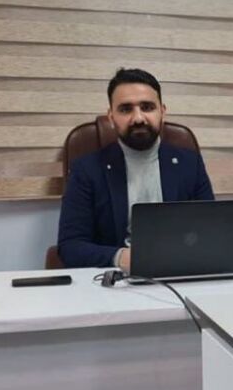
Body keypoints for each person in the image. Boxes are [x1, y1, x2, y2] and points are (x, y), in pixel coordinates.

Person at [57, 68, 214, 269]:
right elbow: (70, 246)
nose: (138, 118)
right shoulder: (87, 170)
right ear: (111, 116)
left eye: (147, 107)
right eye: (125, 109)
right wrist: (121, 258)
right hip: (117, 277)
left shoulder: (190, 163)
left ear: (162, 111)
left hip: (180, 270)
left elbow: (211, 231)